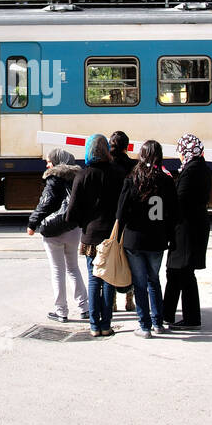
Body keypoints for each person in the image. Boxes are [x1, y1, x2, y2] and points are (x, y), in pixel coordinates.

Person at [116, 139, 179, 337]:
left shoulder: (132, 178)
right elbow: (174, 213)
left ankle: (144, 326)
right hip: (158, 239)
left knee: (139, 283)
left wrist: (119, 236)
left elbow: (121, 212)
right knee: (154, 280)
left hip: (134, 239)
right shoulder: (167, 180)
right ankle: (158, 323)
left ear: (141, 156)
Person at [65, 134, 122, 337]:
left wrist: (84, 225)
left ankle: (94, 326)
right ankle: (106, 324)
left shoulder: (82, 175)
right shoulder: (118, 174)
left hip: (90, 237)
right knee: (108, 279)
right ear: (107, 150)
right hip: (112, 236)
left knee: (93, 278)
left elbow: (71, 213)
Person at [26, 148, 86, 323]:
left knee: (57, 271)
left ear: (57, 162)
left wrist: (32, 223)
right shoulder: (78, 176)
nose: (47, 164)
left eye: (49, 161)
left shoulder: (53, 179)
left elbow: (46, 203)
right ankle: (84, 308)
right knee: (73, 269)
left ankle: (61, 312)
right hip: (74, 229)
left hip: (54, 231)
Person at [164, 133, 211, 329]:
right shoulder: (201, 167)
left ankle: (191, 318)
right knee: (177, 272)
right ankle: (166, 314)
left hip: (187, 229)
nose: (179, 155)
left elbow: (180, 200)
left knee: (182, 272)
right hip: (193, 226)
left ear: (187, 150)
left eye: (181, 151)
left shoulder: (192, 171)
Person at [107, 130, 138, 313]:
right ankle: (129, 299)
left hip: (111, 219)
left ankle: (111, 303)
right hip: (129, 219)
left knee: (111, 260)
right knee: (129, 260)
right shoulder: (133, 166)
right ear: (127, 146)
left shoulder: (107, 165)